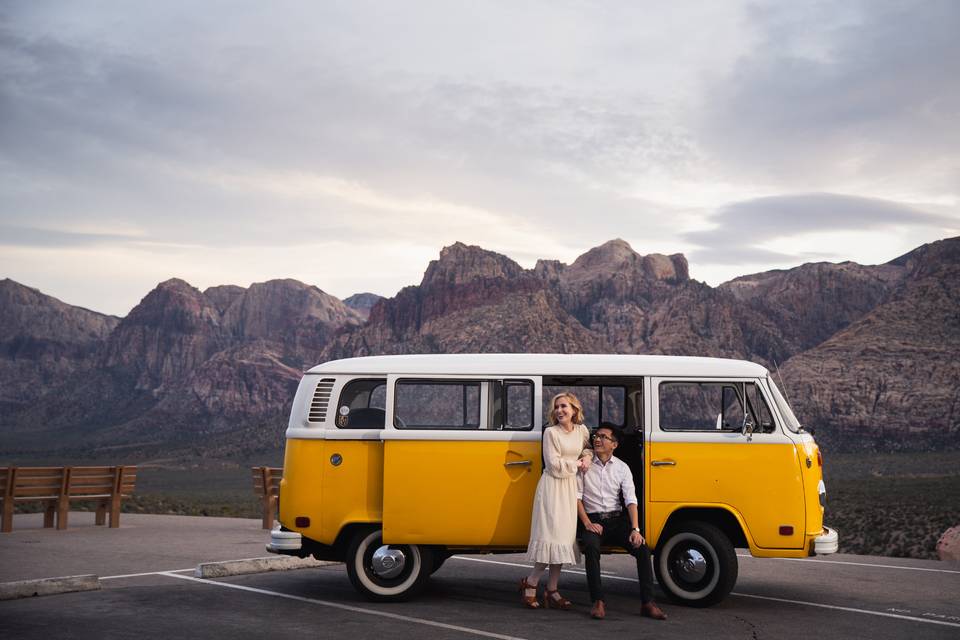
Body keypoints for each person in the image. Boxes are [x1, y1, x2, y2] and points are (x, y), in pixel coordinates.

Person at [577, 425, 667, 621]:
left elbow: (631, 500)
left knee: (642, 549)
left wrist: (635, 529)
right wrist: (587, 524)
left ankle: (648, 603)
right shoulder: (585, 464)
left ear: (614, 444)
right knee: (591, 547)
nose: (597, 440)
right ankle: (598, 601)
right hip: (593, 519)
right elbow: (576, 497)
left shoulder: (622, 467)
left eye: (603, 437)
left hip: (618, 520)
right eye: (596, 436)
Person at [520, 392, 593, 610]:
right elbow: (553, 464)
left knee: (562, 540)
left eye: (564, 406)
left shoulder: (582, 431)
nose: (560, 410)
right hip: (552, 488)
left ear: (574, 409)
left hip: (569, 489)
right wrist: (578, 465)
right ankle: (531, 582)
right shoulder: (551, 433)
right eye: (557, 407)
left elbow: (587, 448)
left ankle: (552, 589)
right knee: (550, 538)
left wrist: (587, 456)